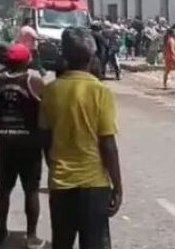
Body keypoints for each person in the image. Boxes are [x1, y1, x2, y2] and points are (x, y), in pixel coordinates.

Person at [40, 27, 122, 249]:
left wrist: (54, 166)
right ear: (92, 56)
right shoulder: (100, 91)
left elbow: (45, 139)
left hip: (60, 183)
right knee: (94, 243)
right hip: (94, 184)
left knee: (62, 242)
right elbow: (108, 144)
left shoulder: (50, 91)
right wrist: (117, 186)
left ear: (64, 56)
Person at [0, 43, 47, 248]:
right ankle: (31, 236)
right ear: (26, 61)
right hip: (28, 143)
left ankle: (1, 231)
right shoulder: (33, 80)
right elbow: (47, 104)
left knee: (4, 189)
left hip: (5, 142)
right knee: (31, 190)